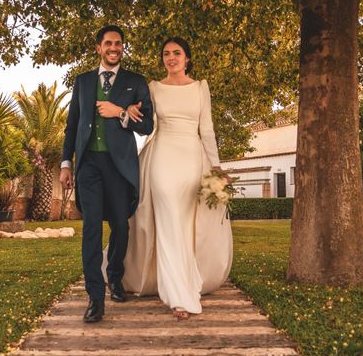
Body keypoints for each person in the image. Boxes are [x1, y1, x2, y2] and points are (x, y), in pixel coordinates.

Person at [122, 37, 233, 320]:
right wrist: (131, 113)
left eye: (177, 53)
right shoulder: (153, 88)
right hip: (162, 155)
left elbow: (206, 130)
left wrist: (217, 167)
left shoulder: (200, 88)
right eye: (166, 54)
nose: (171, 58)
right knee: (169, 219)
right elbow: (146, 124)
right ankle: (177, 296)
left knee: (185, 224)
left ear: (187, 58)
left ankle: (185, 281)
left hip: (192, 159)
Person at [60, 25, 153, 323]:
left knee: (120, 228)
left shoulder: (135, 82)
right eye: (109, 43)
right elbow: (73, 124)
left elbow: (147, 124)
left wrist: (120, 112)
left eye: (119, 44)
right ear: (99, 48)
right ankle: (95, 297)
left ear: (122, 48)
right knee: (91, 228)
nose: (114, 48)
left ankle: (115, 277)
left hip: (120, 165)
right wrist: (65, 163)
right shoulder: (83, 82)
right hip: (89, 164)